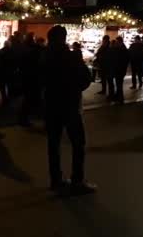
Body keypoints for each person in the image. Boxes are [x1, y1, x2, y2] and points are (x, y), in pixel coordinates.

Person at [42, 26, 96, 195]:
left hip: (51, 104)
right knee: (78, 143)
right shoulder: (71, 56)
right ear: (63, 38)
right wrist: (74, 88)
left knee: (53, 143)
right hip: (70, 104)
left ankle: (56, 179)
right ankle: (77, 180)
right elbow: (86, 78)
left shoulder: (44, 56)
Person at [19, 33, 41, 127]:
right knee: (29, 99)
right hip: (32, 77)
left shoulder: (24, 49)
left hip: (26, 76)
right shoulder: (34, 50)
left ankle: (24, 118)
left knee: (27, 98)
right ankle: (25, 119)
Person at [110, 36, 130, 103]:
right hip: (120, 69)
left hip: (120, 70)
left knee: (119, 84)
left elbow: (121, 60)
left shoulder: (122, 49)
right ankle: (118, 96)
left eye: (117, 42)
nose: (116, 43)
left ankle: (120, 98)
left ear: (120, 41)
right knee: (118, 84)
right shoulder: (122, 48)